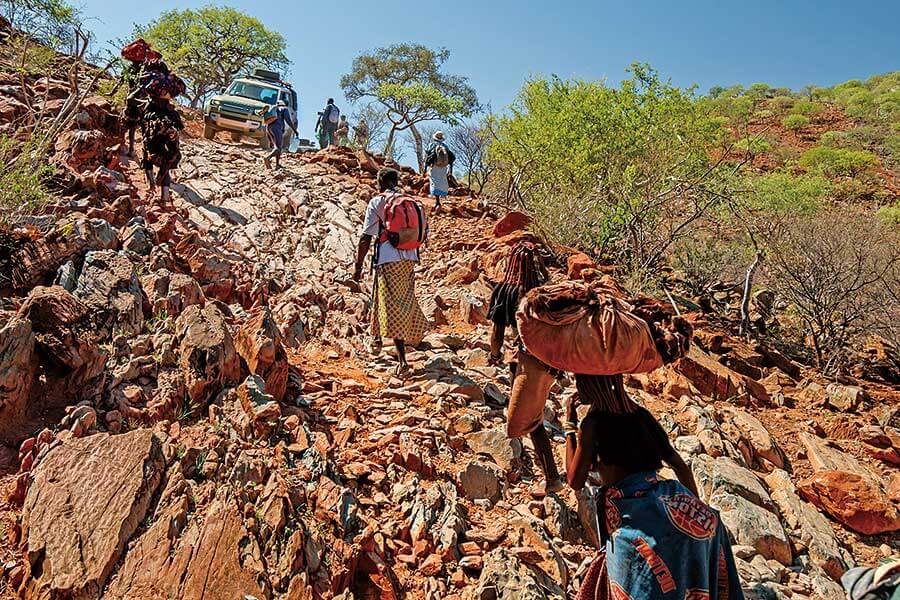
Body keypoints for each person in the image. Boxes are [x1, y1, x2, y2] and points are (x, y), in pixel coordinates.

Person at [565, 379, 743, 600]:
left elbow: (575, 480)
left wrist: (570, 427)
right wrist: (693, 507)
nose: (579, 387)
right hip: (663, 493)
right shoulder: (642, 415)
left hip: (628, 506)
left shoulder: (592, 423)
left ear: (594, 384)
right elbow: (678, 465)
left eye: (581, 380)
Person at [352, 168, 428, 377]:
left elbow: (366, 237)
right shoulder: (410, 201)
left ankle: (402, 361)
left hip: (388, 258)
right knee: (394, 298)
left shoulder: (378, 202)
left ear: (380, 182)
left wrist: (358, 267)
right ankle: (375, 339)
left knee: (391, 305)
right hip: (410, 257)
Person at [424, 131, 454, 212]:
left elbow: (428, 154)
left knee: (434, 181)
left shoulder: (432, 145)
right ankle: (441, 197)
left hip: (434, 165)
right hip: (443, 167)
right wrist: (450, 170)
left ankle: (437, 202)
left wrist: (425, 168)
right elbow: (451, 157)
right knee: (442, 181)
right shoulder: (445, 146)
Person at [263, 99, 297, 170]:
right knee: (278, 148)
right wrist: (294, 130)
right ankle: (267, 158)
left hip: (269, 128)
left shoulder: (273, 109)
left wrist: (269, 139)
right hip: (277, 128)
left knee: (278, 147)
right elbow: (288, 120)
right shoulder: (284, 109)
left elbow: (267, 123)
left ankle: (277, 165)